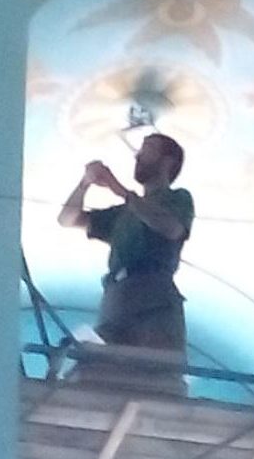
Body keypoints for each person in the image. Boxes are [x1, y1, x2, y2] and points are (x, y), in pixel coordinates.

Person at [58, 134, 195, 354]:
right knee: (100, 359)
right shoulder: (124, 214)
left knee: (151, 361)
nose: (138, 156)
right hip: (117, 297)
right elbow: (67, 219)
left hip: (152, 297)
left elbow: (171, 228)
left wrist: (118, 189)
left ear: (168, 162)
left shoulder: (178, 198)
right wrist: (85, 183)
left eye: (148, 148)